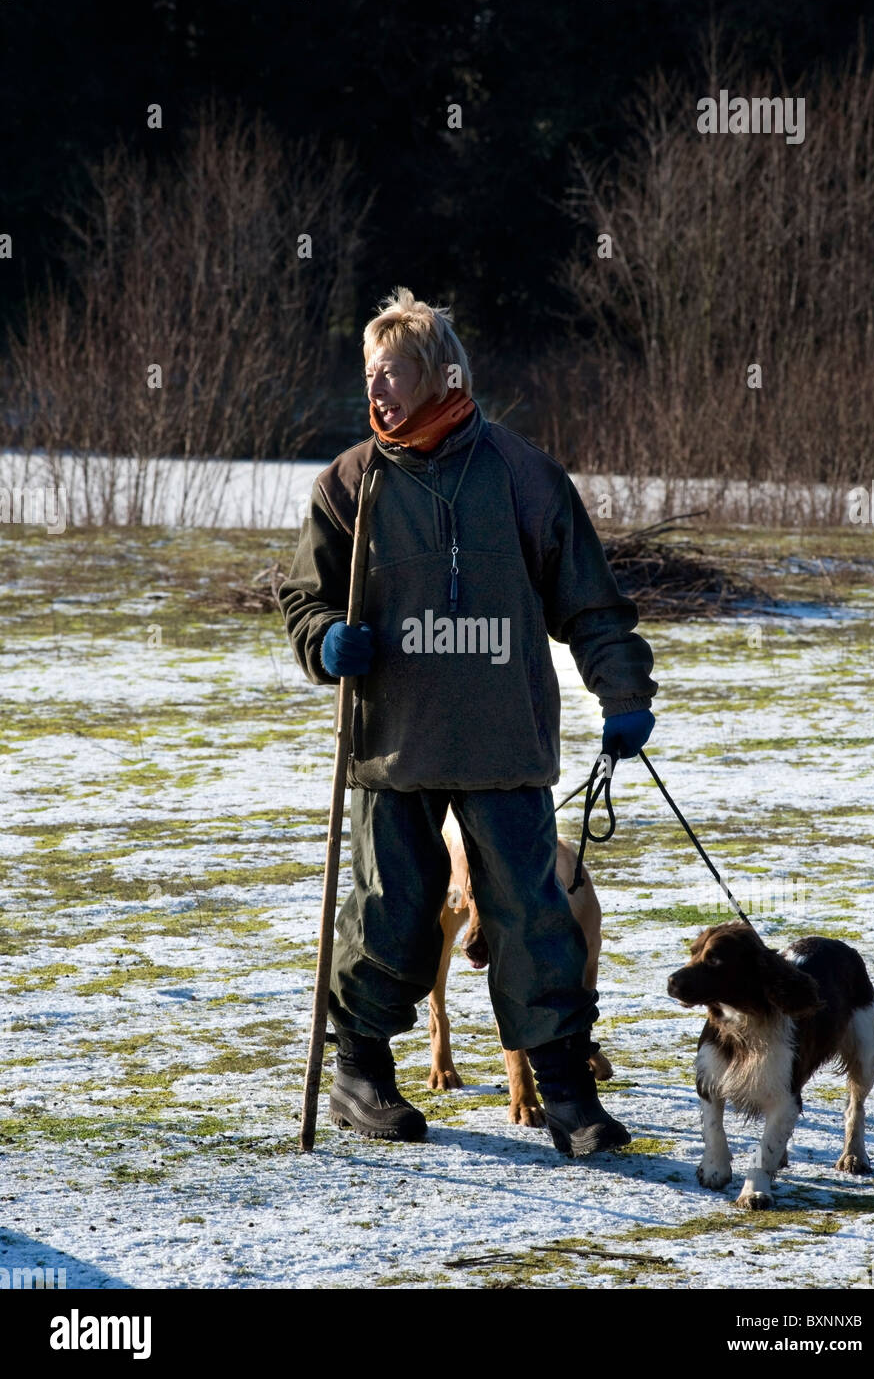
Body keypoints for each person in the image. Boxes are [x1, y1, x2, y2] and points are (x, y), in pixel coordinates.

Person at [279, 288, 657, 1158]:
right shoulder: (348, 485)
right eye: (369, 374)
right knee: (390, 911)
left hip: (503, 741)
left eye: (395, 372)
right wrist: (324, 637)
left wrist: (624, 693)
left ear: (442, 375)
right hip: (394, 742)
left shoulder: (523, 476)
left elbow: (591, 603)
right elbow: (303, 593)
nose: (378, 389)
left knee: (531, 914)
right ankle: (361, 1074)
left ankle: (565, 1089)